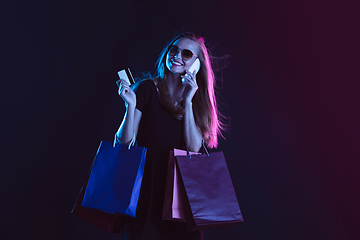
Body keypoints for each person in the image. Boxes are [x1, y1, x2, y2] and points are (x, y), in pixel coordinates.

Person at [114, 32, 224, 240]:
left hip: (180, 196)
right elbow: (125, 141)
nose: (177, 55)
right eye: (174, 50)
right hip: (145, 190)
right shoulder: (147, 89)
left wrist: (188, 101)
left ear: (197, 65)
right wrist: (131, 106)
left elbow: (193, 148)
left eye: (187, 54)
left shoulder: (197, 102)